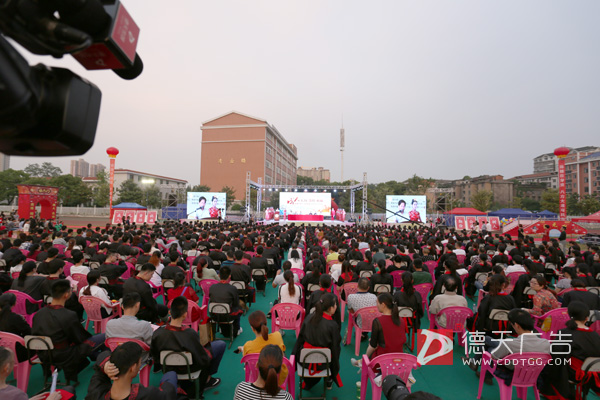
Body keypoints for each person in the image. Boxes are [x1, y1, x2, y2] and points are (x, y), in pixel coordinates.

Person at [32, 279, 105, 383]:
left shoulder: (39, 313)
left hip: (43, 353)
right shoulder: (68, 315)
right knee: (104, 337)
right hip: (64, 354)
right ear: (66, 295)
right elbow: (79, 338)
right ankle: (102, 360)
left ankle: (96, 357)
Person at [151, 296, 225, 397]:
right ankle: (207, 380)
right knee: (220, 345)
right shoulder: (190, 333)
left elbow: (155, 356)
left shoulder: (158, 333)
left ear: (169, 312)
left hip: (169, 369)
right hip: (190, 368)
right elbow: (201, 358)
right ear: (185, 315)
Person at [541, 301, 600, 399]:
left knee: (548, 366)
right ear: (586, 318)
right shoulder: (595, 335)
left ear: (569, 315)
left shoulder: (565, 333)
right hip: (595, 373)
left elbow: (555, 357)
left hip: (575, 374)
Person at [86, 341, 179, 400]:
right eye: (139, 362)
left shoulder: (96, 390)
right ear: (133, 367)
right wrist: (168, 384)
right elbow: (168, 394)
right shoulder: (148, 394)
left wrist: (105, 364)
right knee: (171, 375)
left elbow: (101, 358)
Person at [292, 293, 342, 390]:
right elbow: (335, 348)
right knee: (335, 351)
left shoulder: (309, 318)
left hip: (305, 361)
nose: (336, 306)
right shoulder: (333, 325)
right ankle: (329, 379)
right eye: (335, 304)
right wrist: (335, 368)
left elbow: (300, 340)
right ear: (330, 308)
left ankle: (308, 382)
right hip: (323, 363)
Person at [238, 311, 288, 386]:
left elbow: (246, 363)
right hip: (278, 378)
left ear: (252, 328)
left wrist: (243, 349)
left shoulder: (248, 346)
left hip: (258, 379)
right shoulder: (277, 336)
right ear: (266, 323)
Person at [209, 266, 244, 336]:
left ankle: (221, 327)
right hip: (228, 316)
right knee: (238, 308)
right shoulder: (232, 288)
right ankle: (237, 328)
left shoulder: (212, 287)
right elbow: (235, 303)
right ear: (229, 276)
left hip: (215, 315)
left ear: (219, 275)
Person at [0, 293, 31, 362]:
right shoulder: (16, 318)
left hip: (1, 353)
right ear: (14, 304)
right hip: (18, 354)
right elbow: (29, 332)